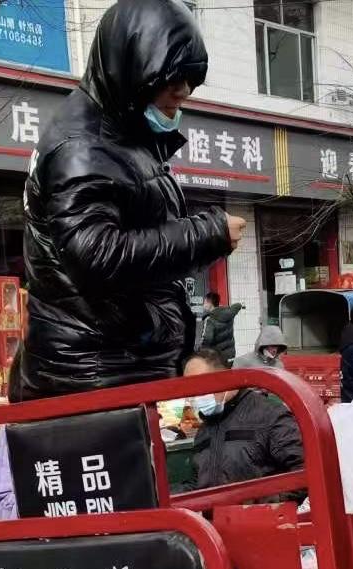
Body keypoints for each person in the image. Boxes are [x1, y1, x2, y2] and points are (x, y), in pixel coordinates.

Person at [12, 0, 244, 402]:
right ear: (131, 67)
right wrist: (207, 234)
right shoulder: (82, 148)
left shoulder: (122, 137)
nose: (183, 91)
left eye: (189, 78)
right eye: (170, 76)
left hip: (114, 368)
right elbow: (97, 255)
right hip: (92, 377)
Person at [182, 348, 303, 489]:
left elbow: (304, 469)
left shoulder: (268, 415)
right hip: (215, 511)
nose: (196, 398)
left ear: (225, 378)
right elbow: (199, 482)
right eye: (190, 391)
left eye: (200, 386)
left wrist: (265, 503)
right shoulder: (205, 429)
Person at [197, 291, 244, 363]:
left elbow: (207, 340)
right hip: (231, 355)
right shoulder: (229, 312)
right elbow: (237, 306)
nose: (204, 305)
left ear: (210, 303)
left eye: (205, 302)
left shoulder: (210, 320)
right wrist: (241, 305)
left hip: (217, 357)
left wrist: (199, 352)